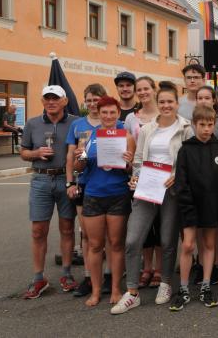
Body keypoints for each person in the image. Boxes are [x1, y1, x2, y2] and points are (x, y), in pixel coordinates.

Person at [111, 82, 194, 314]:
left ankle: (166, 283)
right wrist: (135, 177)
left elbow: (189, 161)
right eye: (163, 102)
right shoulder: (147, 129)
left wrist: (177, 175)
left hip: (172, 190)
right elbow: (138, 159)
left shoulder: (186, 128)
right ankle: (132, 292)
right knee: (132, 239)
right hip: (147, 188)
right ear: (158, 104)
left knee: (168, 239)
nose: (166, 105)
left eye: (170, 102)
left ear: (177, 104)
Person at [72, 96, 135, 307]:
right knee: (95, 245)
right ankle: (96, 290)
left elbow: (131, 170)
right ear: (98, 113)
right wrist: (79, 158)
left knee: (116, 244)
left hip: (118, 194)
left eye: (112, 112)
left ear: (118, 113)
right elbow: (79, 168)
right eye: (104, 112)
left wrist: (128, 163)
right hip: (93, 195)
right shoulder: (88, 136)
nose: (108, 116)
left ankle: (116, 289)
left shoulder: (126, 136)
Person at [171, 105, 218, 311]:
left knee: (208, 245)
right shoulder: (186, 149)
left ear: (214, 125)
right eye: (202, 125)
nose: (206, 129)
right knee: (188, 245)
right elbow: (181, 182)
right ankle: (184, 288)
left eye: (210, 125)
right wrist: (187, 206)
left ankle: (206, 286)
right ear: (194, 124)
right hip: (190, 207)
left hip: (212, 207)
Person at [19, 85, 79, 299]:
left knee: (67, 228)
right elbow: (23, 152)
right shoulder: (33, 123)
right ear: (43, 101)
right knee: (38, 230)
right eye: (47, 98)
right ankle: (38, 277)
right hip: (41, 179)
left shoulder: (75, 122)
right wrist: (35, 152)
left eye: (56, 98)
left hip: (66, 179)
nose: (51, 102)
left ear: (64, 101)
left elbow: (83, 148)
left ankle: (66, 273)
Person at [65, 83, 110, 297]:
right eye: (89, 100)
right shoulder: (79, 126)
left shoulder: (112, 122)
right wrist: (70, 182)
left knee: (110, 235)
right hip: (85, 183)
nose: (93, 104)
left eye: (96, 99)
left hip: (110, 184)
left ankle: (109, 274)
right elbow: (73, 158)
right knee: (87, 235)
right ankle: (89, 276)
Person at [123, 76, 163, 289]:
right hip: (139, 176)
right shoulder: (131, 118)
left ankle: (159, 268)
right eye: (140, 90)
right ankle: (146, 267)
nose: (143, 93)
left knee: (159, 223)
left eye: (147, 88)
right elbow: (130, 147)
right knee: (144, 225)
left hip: (160, 175)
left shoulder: (164, 113)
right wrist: (130, 166)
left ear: (154, 89)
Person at [194, 85, 218, 285]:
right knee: (200, 226)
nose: (203, 101)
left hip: (216, 178)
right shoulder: (190, 123)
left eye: (207, 97)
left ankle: (217, 262)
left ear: (214, 100)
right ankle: (201, 263)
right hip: (198, 182)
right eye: (200, 97)